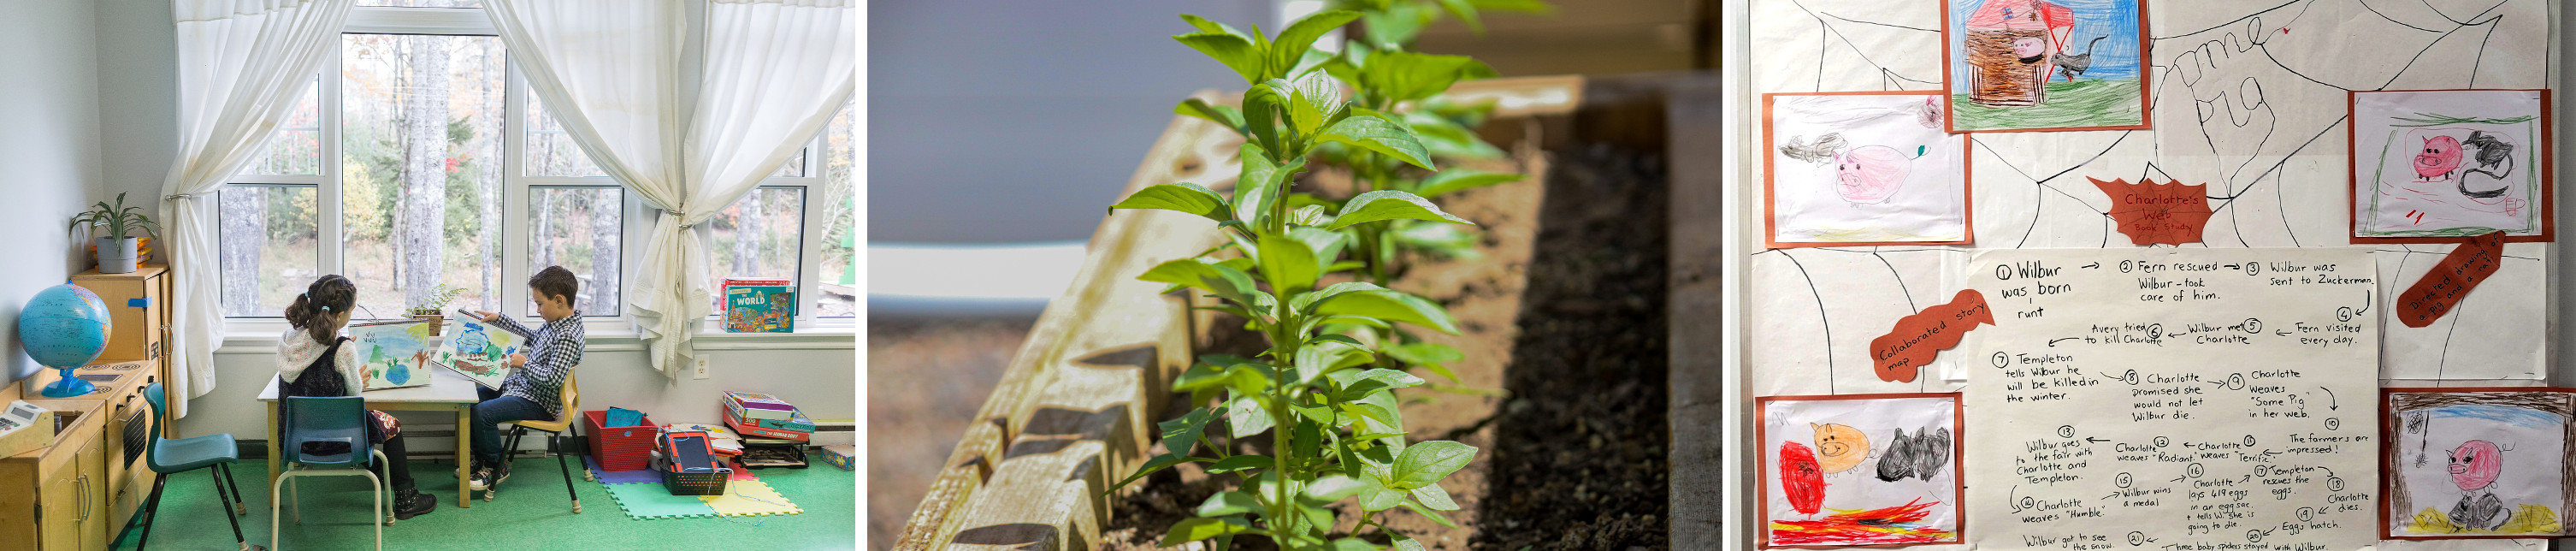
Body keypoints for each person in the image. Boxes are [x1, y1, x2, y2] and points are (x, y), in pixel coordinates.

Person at [275, 276, 438, 519]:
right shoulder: (342, 348)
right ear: (339, 316)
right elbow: (354, 394)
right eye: (352, 309)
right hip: (339, 440)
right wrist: (352, 368)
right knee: (391, 425)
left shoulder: (289, 337)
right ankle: (407, 499)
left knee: (366, 423)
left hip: (294, 440)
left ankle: (382, 475)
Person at [464, 266, 587, 493]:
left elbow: (552, 378)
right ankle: (482, 459)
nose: (538, 310)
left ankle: (495, 466)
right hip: (524, 389)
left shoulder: (567, 336)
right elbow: (532, 337)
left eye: (540, 304)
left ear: (559, 300)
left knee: (484, 412)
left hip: (540, 402)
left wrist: (524, 363)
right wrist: (501, 320)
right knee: (473, 399)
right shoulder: (555, 324)